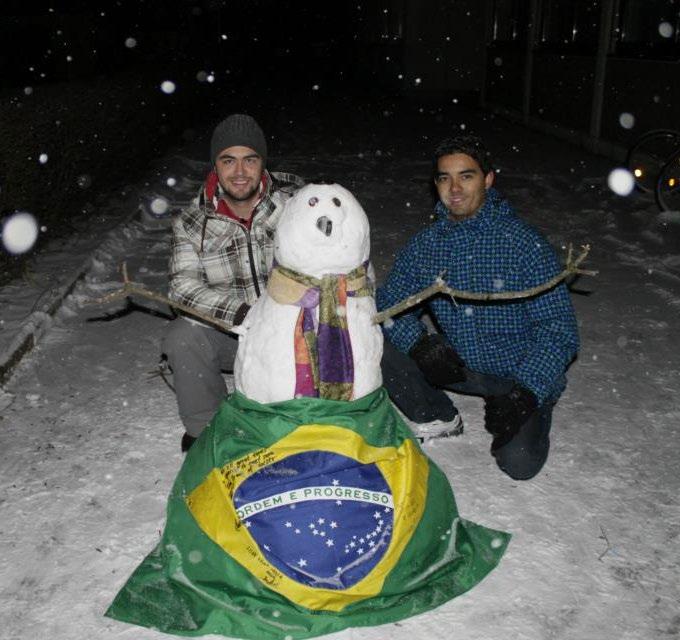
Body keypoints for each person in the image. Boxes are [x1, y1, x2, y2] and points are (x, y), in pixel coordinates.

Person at [376, 134, 579, 480]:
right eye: (444, 178)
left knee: (520, 463)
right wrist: (421, 344)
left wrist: (527, 391)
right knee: (373, 338)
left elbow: (560, 329)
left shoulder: (523, 244)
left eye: (466, 176)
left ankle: (529, 405)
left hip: (518, 374)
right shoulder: (428, 245)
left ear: (487, 179)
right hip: (460, 366)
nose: (454, 188)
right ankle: (437, 414)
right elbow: (389, 305)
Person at [162, 114, 303, 451]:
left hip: (292, 339)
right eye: (229, 160)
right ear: (215, 166)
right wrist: (243, 315)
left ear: (262, 164)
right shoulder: (191, 222)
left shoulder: (294, 209)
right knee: (183, 336)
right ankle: (205, 429)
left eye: (249, 160)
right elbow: (182, 288)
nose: (240, 172)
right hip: (232, 336)